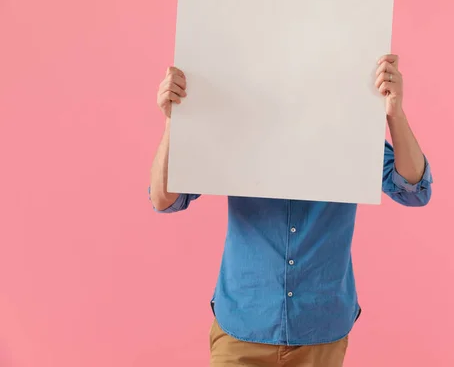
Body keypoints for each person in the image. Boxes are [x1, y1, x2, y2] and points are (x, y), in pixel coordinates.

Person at [149, 54, 433, 367]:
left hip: (320, 330)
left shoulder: (349, 136)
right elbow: (166, 198)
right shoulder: (237, 129)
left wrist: (394, 113)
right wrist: (175, 121)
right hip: (242, 326)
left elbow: (413, 189)